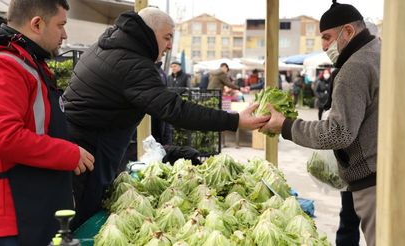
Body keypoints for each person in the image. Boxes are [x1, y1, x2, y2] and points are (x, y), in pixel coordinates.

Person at [63, 7, 269, 229]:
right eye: (167, 37)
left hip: (83, 146)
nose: (170, 45)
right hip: (90, 154)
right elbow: (174, 110)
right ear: (149, 33)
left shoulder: (107, 47)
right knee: (83, 221)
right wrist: (234, 120)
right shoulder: (131, 63)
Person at [260, 1, 380, 245]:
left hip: (372, 180)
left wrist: (286, 125)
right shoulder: (379, 51)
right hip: (391, 170)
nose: (324, 46)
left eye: (327, 37)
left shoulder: (354, 67)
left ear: (348, 31)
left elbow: (338, 133)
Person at [0, 1, 95, 245]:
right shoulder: (7, 65)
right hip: (17, 219)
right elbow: (5, 136)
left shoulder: (28, 62)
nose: (65, 34)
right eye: (61, 25)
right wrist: (68, 153)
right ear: (37, 24)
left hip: (35, 210)